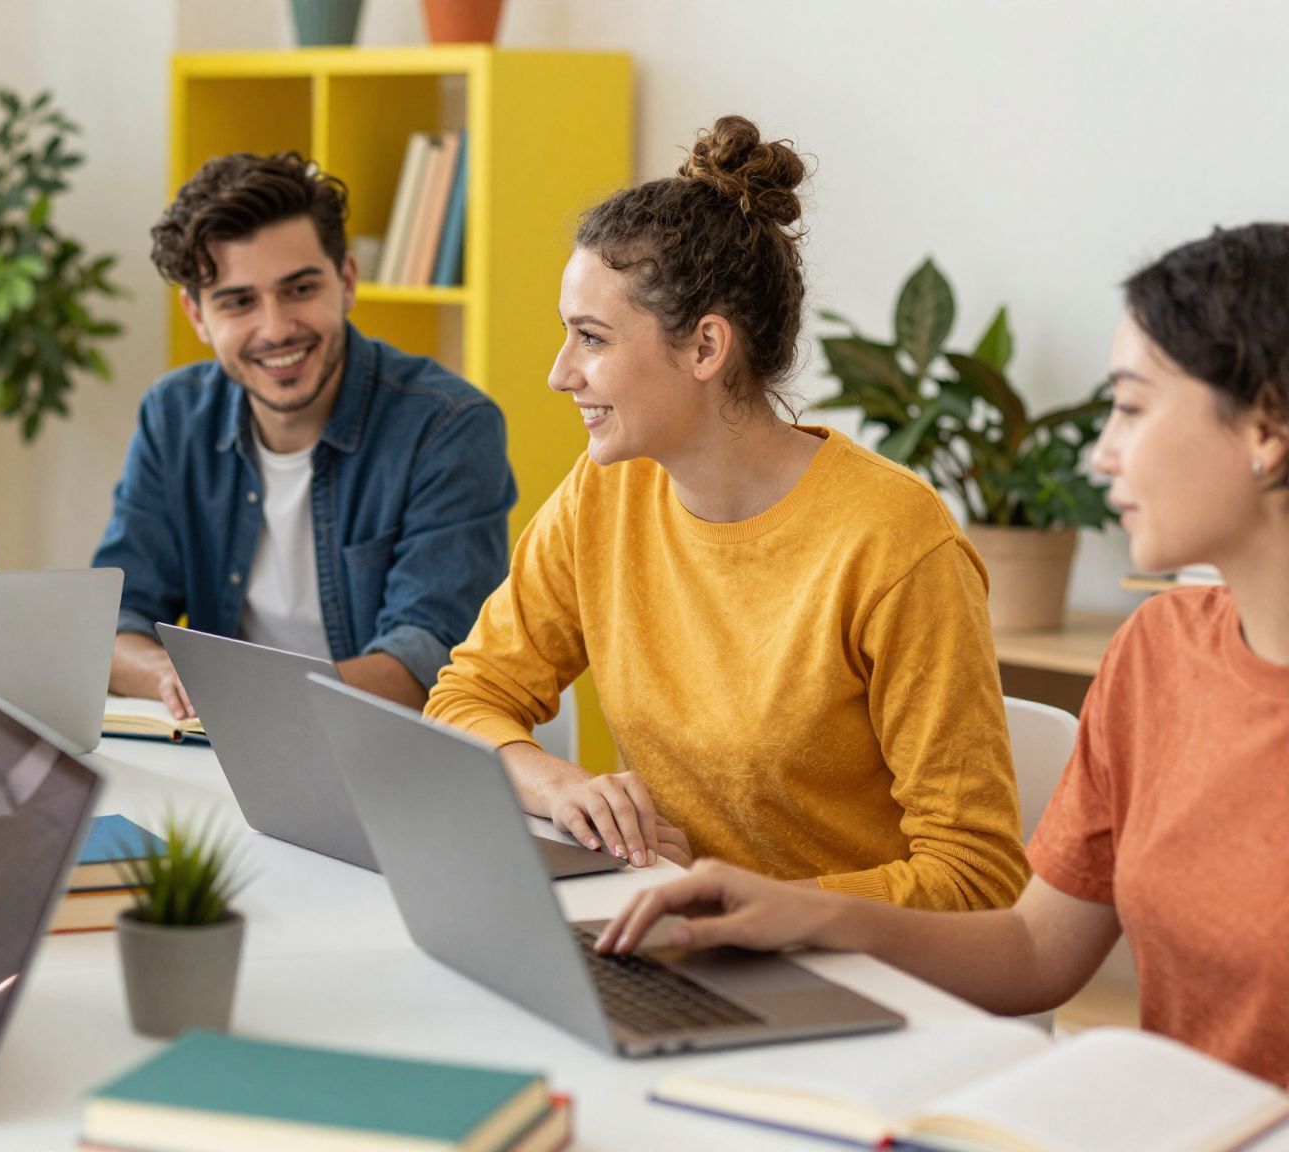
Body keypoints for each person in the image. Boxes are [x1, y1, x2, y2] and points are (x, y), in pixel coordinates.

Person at [600, 223, 1289, 1086]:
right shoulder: (1156, 655)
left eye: (1132, 406)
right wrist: (799, 913)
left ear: (1265, 428)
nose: (1102, 451)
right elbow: (1037, 951)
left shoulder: (894, 541)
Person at [424, 116, 1028, 909]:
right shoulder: (605, 493)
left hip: (852, 974)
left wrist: (741, 908)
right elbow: (466, 697)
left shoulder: (894, 542)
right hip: (674, 936)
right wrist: (561, 788)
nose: (558, 373)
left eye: (591, 338)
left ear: (707, 348)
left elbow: (977, 877)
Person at [94, 151, 516, 719]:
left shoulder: (447, 426)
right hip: (228, 753)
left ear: (345, 282)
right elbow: (114, 622)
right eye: (238, 302)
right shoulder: (174, 416)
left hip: (385, 758)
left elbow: (430, 660)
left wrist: (245, 697)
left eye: (298, 290)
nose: (275, 329)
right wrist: (170, 676)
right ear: (197, 316)